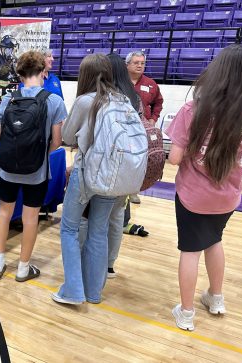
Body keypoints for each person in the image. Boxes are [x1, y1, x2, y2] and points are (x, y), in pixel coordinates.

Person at [166, 44, 242, 331]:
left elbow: (174, 159)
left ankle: (185, 313)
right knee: (214, 240)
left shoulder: (193, 108)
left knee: (190, 250)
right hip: (229, 197)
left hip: (193, 195)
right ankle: (216, 298)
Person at [52, 54, 122, 305]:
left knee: (69, 229)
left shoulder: (85, 101)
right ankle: (93, 293)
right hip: (112, 176)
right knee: (99, 230)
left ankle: (72, 290)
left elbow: (69, 137)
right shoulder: (121, 99)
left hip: (87, 172)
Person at [0, 50, 66, 282]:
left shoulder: (8, 99)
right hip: (36, 171)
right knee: (30, 218)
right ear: (43, 71)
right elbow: (56, 142)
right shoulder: (54, 101)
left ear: (20, 72)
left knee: (4, 212)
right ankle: (23, 268)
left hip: (7, 168)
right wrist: (39, 154)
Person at [77, 53, 149, 280]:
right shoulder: (133, 98)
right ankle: (108, 265)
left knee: (89, 218)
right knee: (117, 216)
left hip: (103, 168)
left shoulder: (101, 98)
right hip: (129, 168)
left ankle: (86, 262)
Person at [126, 50, 164, 204]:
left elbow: (158, 103)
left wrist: (153, 119)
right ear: (127, 64)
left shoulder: (150, 84)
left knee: (141, 160)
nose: (140, 66)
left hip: (142, 130)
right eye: (136, 63)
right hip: (124, 129)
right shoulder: (120, 82)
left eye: (142, 63)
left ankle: (134, 190)